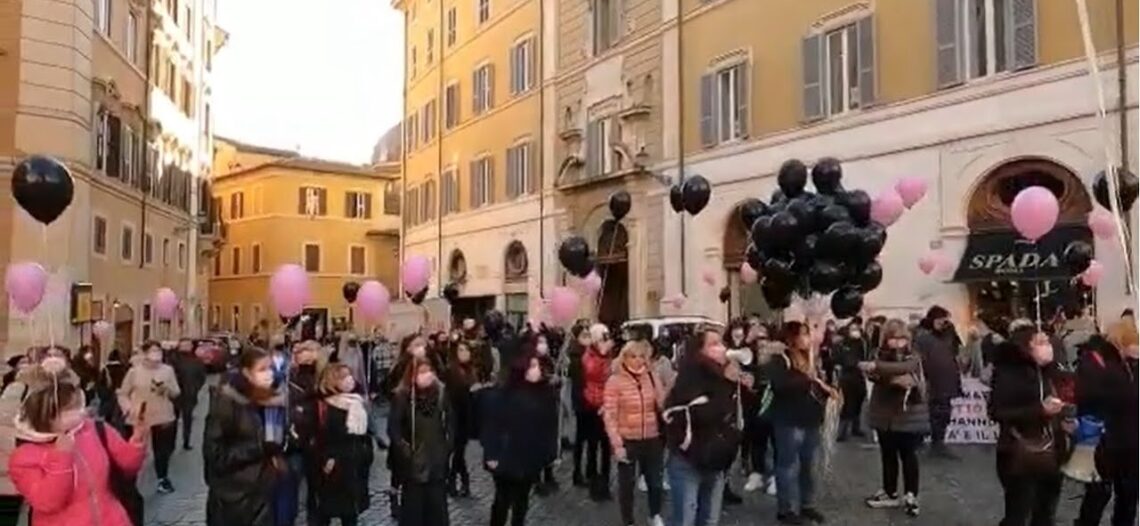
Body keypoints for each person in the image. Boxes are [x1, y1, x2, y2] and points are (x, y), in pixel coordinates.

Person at [8, 357, 149, 526]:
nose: (79, 413)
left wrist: (136, 441)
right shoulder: (24, 456)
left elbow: (127, 467)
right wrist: (61, 457)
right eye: (69, 409)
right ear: (46, 414)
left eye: (77, 406)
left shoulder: (95, 429)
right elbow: (47, 502)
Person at [989, 319, 1069, 526]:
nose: (1047, 346)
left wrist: (1063, 417)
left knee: (1046, 512)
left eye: (1047, 342)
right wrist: (1039, 411)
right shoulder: (1009, 373)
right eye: (1040, 342)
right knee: (1018, 512)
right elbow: (998, 412)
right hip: (1018, 451)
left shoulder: (1050, 370)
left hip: (1052, 450)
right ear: (1026, 346)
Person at [663, 328, 741, 526]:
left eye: (721, 343)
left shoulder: (721, 375)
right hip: (689, 459)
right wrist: (727, 385)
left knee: (709, 520)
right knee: (685, 520)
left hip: (715, 458)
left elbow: (732, 417)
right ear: (699, 351)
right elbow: (703, 414)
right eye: (714, 344)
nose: (722, 348)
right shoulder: (692, 376)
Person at [203, 347, 289, 526]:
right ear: (247, 373)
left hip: (265, 492)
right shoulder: (227, 402)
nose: (269, 374)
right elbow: (215, 456)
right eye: (262, 369)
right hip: (235, 497)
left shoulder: (274, 400)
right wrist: (259, 447)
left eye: (271, 368)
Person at [768, 321, 836, 525]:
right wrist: (808, 379)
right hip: (789, 420)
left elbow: (820, 385)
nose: (808, 339)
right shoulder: (781, 359)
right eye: (803, 334)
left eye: (809, 334)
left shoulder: (814, 359)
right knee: (787, 465)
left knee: (809, 466)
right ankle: (785, 509)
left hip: (811, 420)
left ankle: (807, 504)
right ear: (792, 338)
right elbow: (779, 385)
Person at [861, 319, 930, 517]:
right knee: (888, 455)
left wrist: (877, 367)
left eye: (902, 338)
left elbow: (906, 367)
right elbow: (874, 375)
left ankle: (911, 494)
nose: (898, 343)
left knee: (909, 455)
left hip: (909, 415)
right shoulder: (878, 353)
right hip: (884, 415)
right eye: (893, 339)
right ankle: (889, 491)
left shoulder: (913, 355)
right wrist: (883, 373)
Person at [482, 353, 558, 526]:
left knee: (522, 501)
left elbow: (549, 426)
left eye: (538, 366)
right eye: (532, 366)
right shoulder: (503, 395)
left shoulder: (545, 394)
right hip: (505, 455)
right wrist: (491, 454)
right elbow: (492, 426)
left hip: (530, 456)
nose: (537, 371)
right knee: (502, 500)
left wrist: (549, 453)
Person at [1074, 319, 1138, 526]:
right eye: (1133, 342)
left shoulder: (1131, 365)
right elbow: (1087, 396)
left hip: (1131, 440)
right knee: (1098, 495)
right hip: (1104, 439)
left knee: (1128, 496)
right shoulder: (1095, 361)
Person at [603, 340, 666, 526]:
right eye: (633, 356)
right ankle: (628, 521)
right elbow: (610, 415)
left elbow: (662, 404)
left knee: (655, 482)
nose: (638, 360)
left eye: (641, 356)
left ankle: (654, 514)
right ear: (624, 358)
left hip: (652, 438)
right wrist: (617, 445)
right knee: (627, 485)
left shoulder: (651, 377)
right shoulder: (615, 381)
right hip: (628, 439)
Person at [388, 357, 452, 526]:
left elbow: (450, 424)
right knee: (413, 512)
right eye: (422, 372)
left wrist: (446, 448)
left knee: (437, 511)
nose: (427, 375)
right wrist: (405, 449)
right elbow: (394, 428)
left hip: (436, 461)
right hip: (413, 463)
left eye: (429, 371)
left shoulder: (441, 394)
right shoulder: (403, 397)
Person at [117, 340, 181, 494]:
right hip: (140, 416)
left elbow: (176, 392)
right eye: (153, 351)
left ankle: (162, 479)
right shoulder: (134, 372)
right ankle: (130, 480)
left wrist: (166, 389)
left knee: (162, 451)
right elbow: (123, 393)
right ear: (145, 354)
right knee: (137, 450)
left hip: (163, 415)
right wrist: (128, 408)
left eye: (158, 351)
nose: (156, 354)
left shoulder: (168, 370)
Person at [314, 364, 374, 526]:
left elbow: (365, 432)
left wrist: (367, 452)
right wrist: (329, 457)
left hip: (356, 462)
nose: (349, 380)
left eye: (349, 376)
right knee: (329, 508)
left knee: (351, 511)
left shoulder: (357, 402)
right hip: (336, 464)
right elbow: (323, 434)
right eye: (343, 377)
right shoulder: (327, 405)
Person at [914, 306, 962, 459]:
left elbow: (956, 352)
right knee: (931, 413)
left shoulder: (948, 335)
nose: (942, 322)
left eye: (944, 319)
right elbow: (918, 359)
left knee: (944, 413)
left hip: (947, 380)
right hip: (931, 382)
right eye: (939, 319)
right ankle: (926, 442)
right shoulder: (922, 337)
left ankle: (939, 442)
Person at [285, 341, 322, 526]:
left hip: (319, 440)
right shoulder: (288, 377)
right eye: (302, 351)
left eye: (312, 351)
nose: (307, 355)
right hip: (296, 442)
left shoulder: (324, 375)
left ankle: (314, 520)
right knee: (292, 486)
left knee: (316, 488)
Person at [581, 323, 615, 501]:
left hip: (607, 404)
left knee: (606, 447)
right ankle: (594, 483)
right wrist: (602, 356)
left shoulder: (607, 354)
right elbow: (592, 372)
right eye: (603, 337)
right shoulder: (590, 354)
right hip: (593, 405)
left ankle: (605, 483)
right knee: (593, 446)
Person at [743, 323, 778, 495]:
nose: (762, 344)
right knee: (757, 441)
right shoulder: (749, 360)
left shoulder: (777, 361)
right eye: (758, 341)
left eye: (765, 339)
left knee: (776, 442)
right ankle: (757, 473)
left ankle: (775, 477)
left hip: (774, 404)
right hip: (754, 404)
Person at [444, 341, 478, 497]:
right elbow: (451, 393)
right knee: (457, 452)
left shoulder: (472, 370)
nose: (464, 353)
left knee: (459, 452)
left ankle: (456, 482)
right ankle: (458, 482)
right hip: (454, 415)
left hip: (467, 416)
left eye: (466, 350)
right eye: (460, 350)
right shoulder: (451, 370)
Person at [566, 323, 592, 487]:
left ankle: (588, 471)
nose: (587, 337)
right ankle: (577, 472)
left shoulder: (586, 353)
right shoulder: (576, 356)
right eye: (584, 335)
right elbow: (580, 379)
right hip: (582, 400)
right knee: (581, 438)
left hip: (588, 399)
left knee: (589, 439)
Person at [170, 338, 208, 450]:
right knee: (172, 420)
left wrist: (195, 388)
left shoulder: (196, 361)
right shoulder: (172, 359)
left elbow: (202, 377)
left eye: (188, 345)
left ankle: (186, 441)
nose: (186, 347)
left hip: (190, 394)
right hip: (174, 395)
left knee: (188, 419)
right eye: (183, 345)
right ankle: (171, 443)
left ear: (192, 347)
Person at [834, 322, 870, 441]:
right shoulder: (842, 344)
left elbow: (866, 355)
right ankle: (842, 431)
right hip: (847, 376)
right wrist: (855, 363)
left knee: (859, 400)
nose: (856, 331)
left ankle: (856, 427)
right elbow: (840, 358)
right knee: (847, 403)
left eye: (857, 329)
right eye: (853, 329)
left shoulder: (862, 342)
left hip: (859, 376)